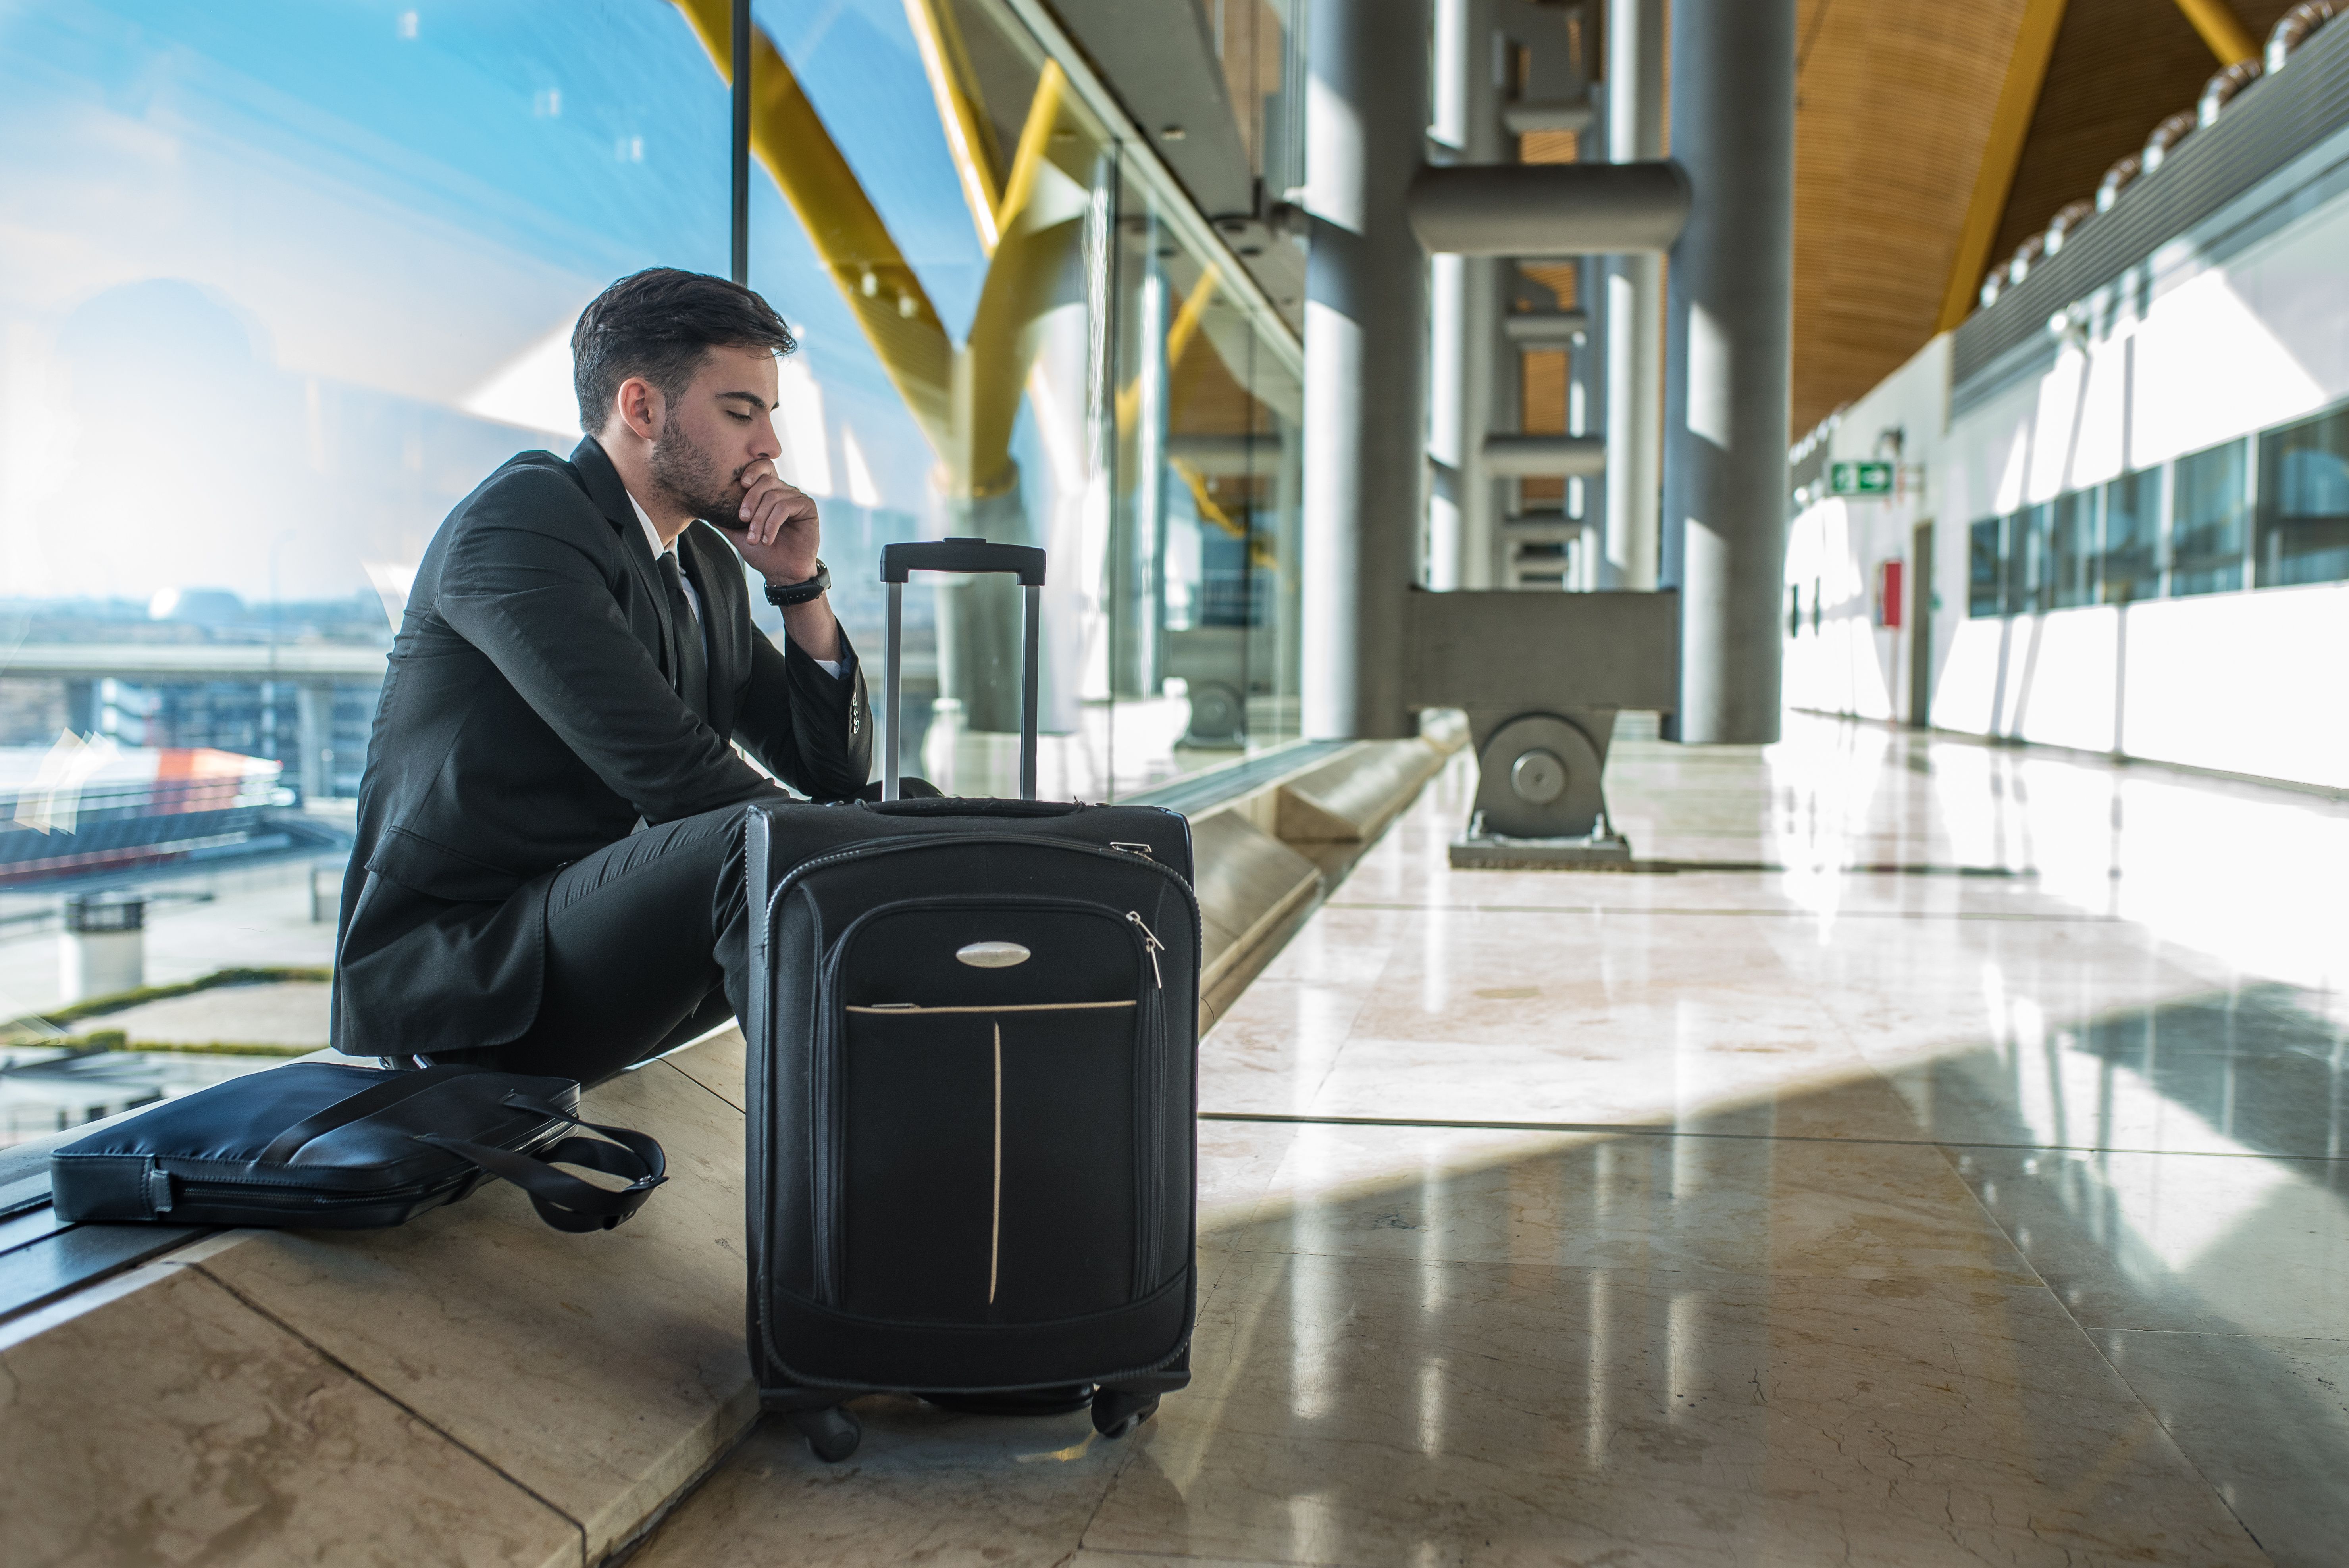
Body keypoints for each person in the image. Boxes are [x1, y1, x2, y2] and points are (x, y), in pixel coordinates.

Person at [332, 268, 916, 1082]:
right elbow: (673, 772)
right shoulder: (523, 519)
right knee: (768, 847)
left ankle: (949, 1123)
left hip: (592, 948)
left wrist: (798, 586)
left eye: (769, 416)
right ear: (641, 408)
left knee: (909, 807)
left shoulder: (704, 564)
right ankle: (840, 1170)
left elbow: (831, 769)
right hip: (471, 973)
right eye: (740, 412)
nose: (770, 447)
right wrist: (865, 850)